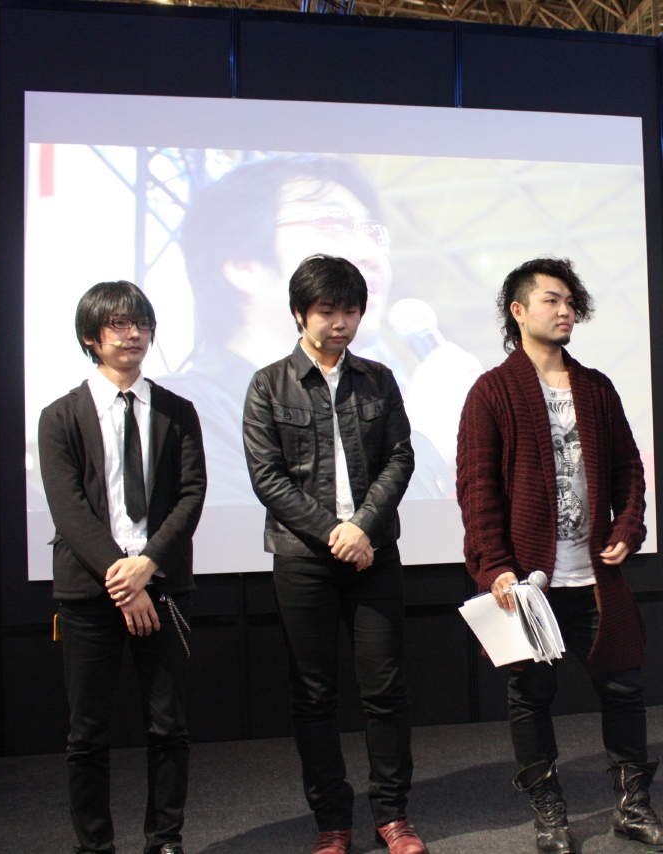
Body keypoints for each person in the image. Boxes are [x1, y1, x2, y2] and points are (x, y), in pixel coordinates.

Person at [456, 258, 663, 854]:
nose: (565, 312)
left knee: (623, 686)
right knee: (530, 696)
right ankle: (549, 812)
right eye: (552, 301)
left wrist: (629, 525)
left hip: (594, 577)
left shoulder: (596, 387)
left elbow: (629, 470)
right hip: (528, 585)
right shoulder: (491, 391)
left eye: (570, 302)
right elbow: (477, 491)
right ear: (518, 311)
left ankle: (633, 808)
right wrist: (494, 567)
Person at [241, 254, 424, 854]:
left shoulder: (379, 379)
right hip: (303, 560)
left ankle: (392, 815)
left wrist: (363, 527)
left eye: (350, 310)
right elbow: (268, 477)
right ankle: (332, 821)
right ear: (299, 313)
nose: (340, 323)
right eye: (327, 311)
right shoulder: (269, 384)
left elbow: (401, 457)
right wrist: (333, 533)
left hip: (374, 554)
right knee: (314, 695)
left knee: (386, 691)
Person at [170, 154, 465, 507]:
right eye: (333, 224)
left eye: (374, 234)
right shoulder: (178, 415)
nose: (371, 253)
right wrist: (423, 446)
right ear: (244, 263)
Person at [38, 281, 207, 854]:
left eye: (141, 324)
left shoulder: (177, 411)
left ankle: (166, 840)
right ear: (91, 336)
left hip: (164, 586)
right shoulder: (60, 416)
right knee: (87, 732)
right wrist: (123, 577)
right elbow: (69, 509)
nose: (132, 334)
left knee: (169, 726)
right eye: (118, 323)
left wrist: (148, 566)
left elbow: (191, 495)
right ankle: (95, 846)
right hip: (91, 592)